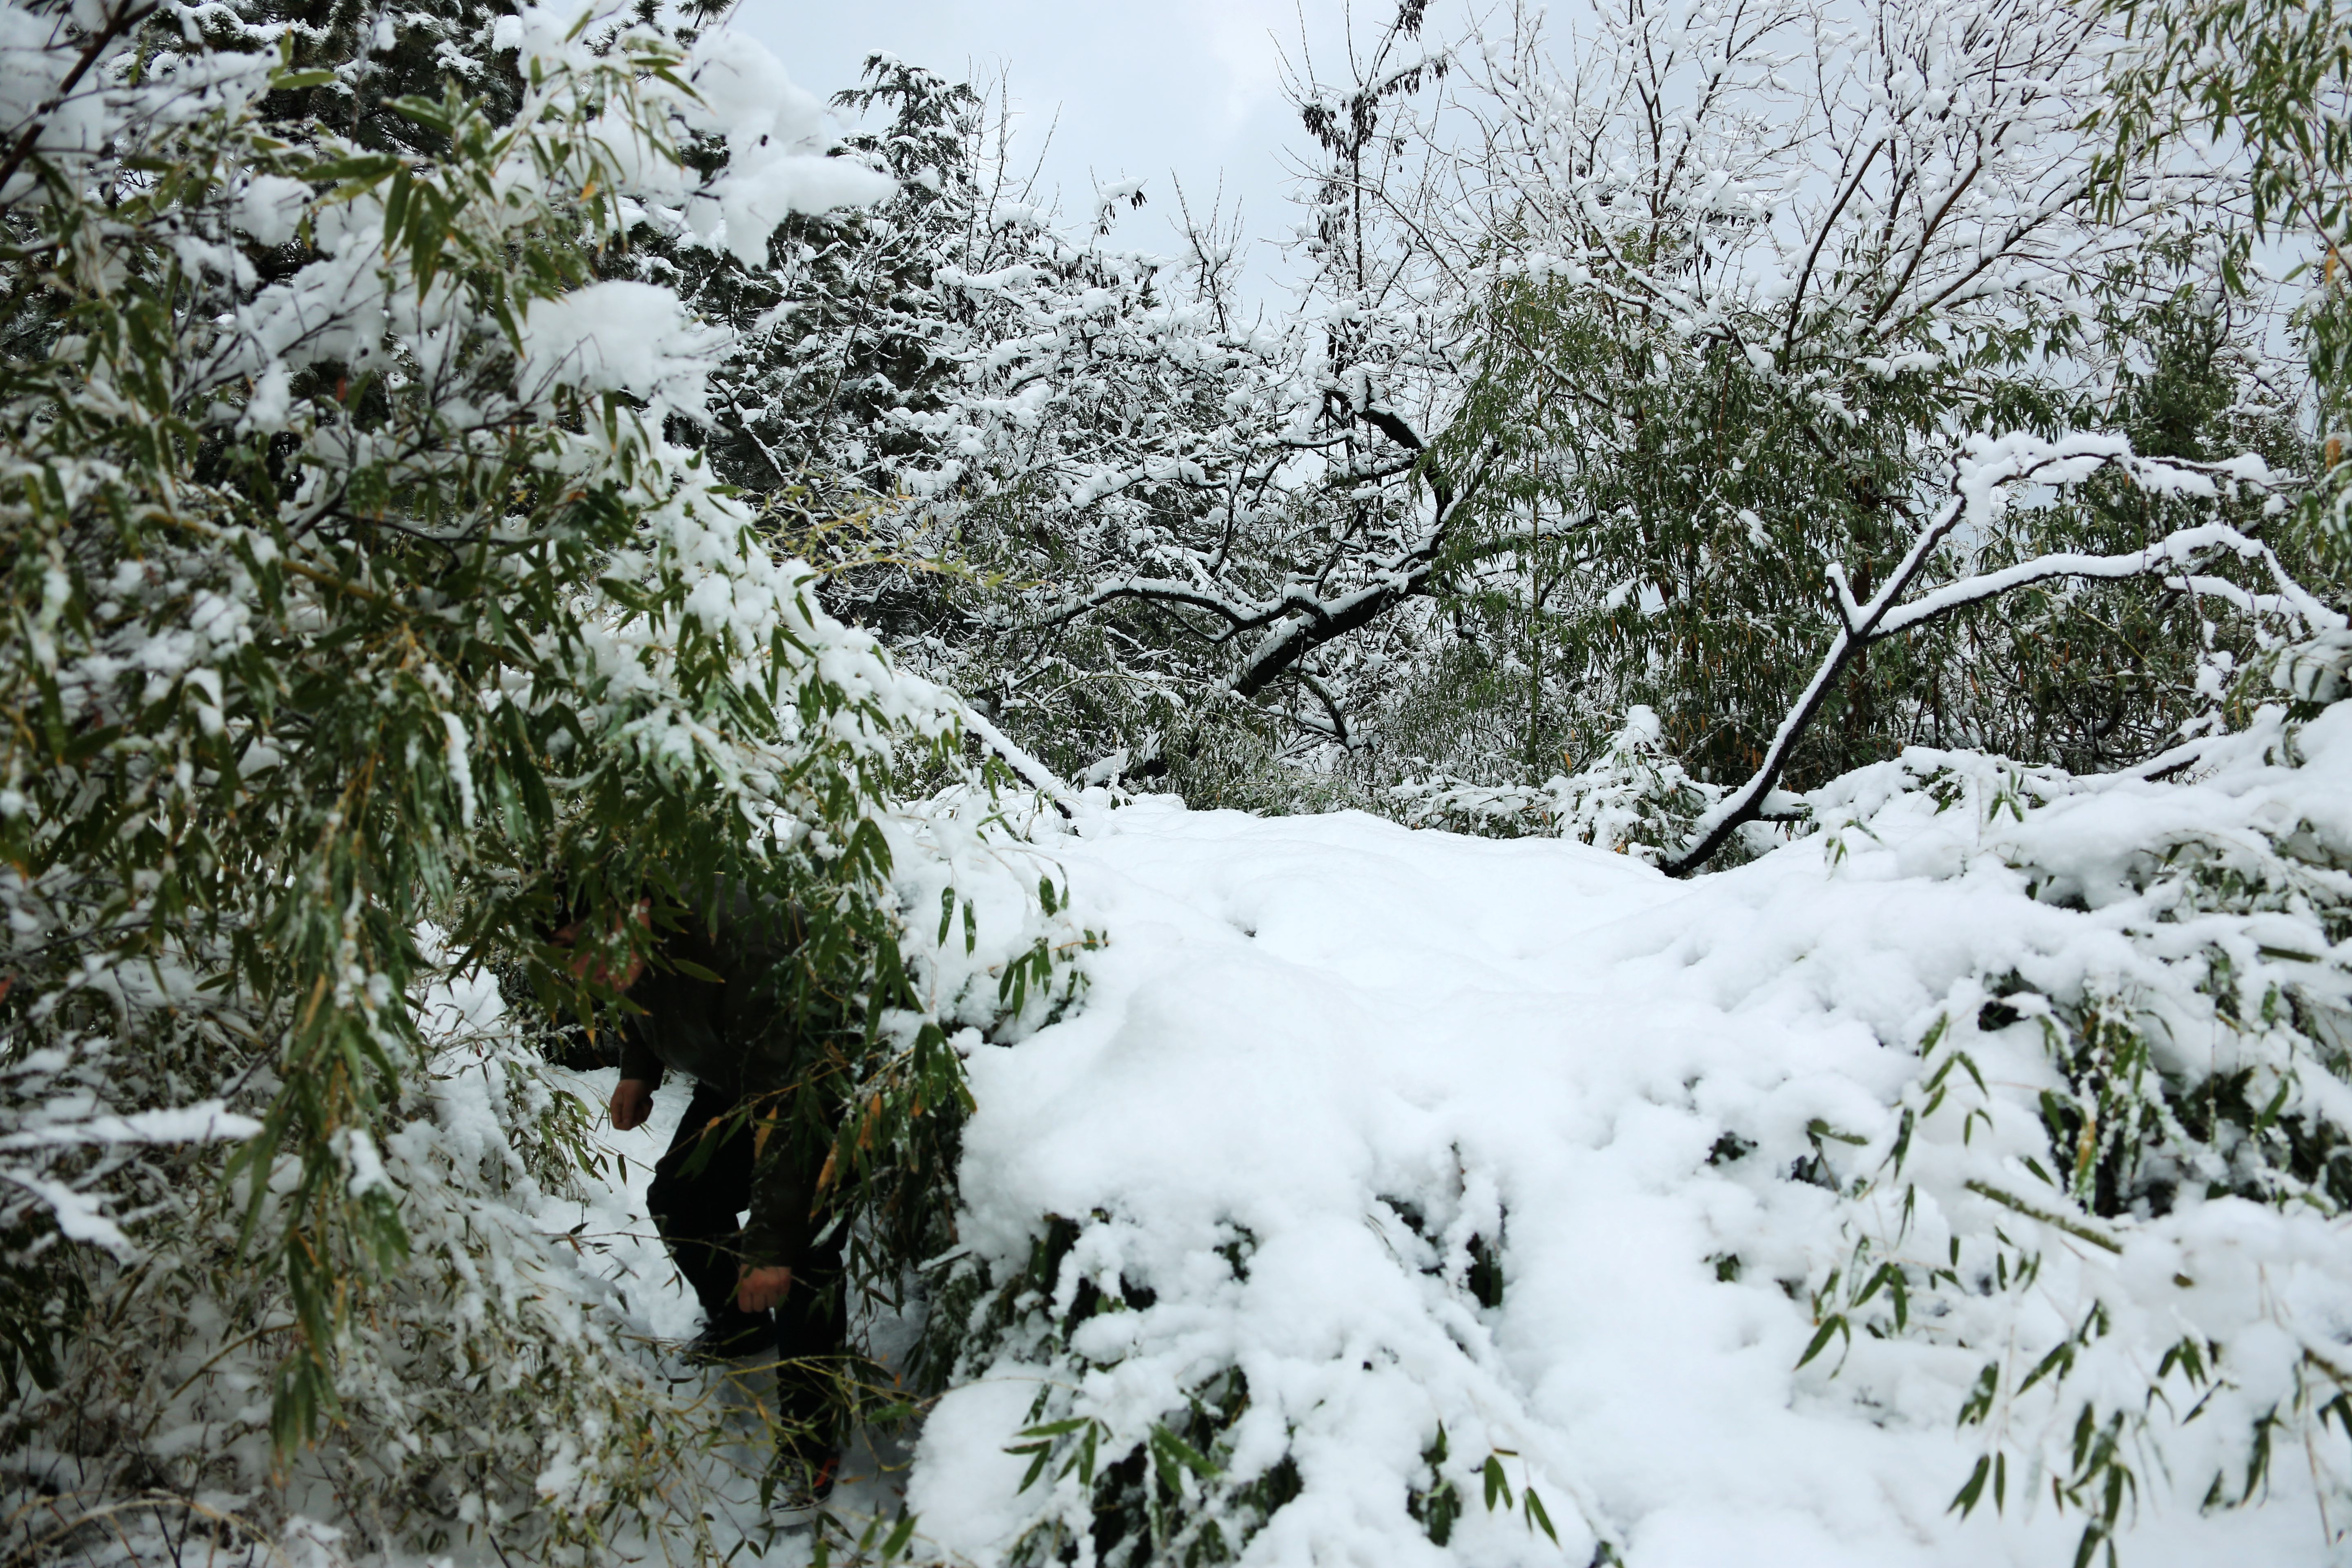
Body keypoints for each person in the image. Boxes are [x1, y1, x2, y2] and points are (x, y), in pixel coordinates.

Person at [566, 889, 849, 1503]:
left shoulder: (745, 948)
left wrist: (771, 1247)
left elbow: (796, 1110)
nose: (583, 969)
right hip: (741, 1077)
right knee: (681, 1197)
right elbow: (644, 998)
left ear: (638, 910)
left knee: (805, 1254)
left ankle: (812, 1437)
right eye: (566, 952)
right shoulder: (631, 947)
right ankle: (741, 1326)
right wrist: (639, 1068)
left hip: (829, 1085)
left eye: (590, 943)